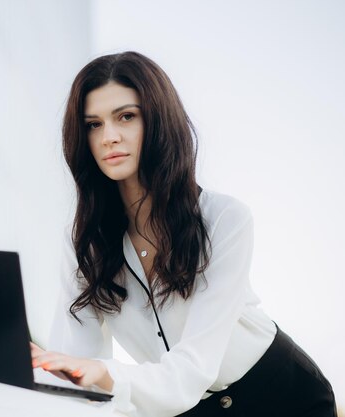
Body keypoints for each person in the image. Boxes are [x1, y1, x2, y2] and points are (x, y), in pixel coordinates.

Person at [30, 51, 336, 416]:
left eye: (126, 117)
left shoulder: (225, 218)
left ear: (158, 121)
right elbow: (76, 362)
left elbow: (193, 367)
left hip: (282, 394)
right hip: (188, 408)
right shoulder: (84, 243)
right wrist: (51, 370)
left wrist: (105, 373)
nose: (109, 137)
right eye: (93, 124)